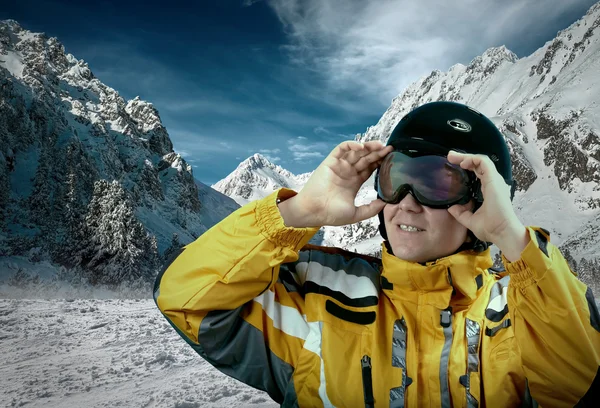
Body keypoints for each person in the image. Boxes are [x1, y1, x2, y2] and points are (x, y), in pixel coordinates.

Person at [153, 101, 600, 407]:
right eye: (395, 177)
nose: (406, 201)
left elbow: (580, 382)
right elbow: (186, 297)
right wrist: (300, 212)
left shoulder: (522, 312)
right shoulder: (316, 296)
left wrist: (513, 238)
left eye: (434, 182)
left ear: (482, 200)